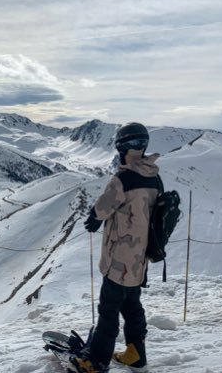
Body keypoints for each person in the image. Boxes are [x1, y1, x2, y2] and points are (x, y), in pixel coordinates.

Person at [68, 122, 161, 373]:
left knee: (108, 311)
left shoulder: (124, 178)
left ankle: (95, 362)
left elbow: (102, 208)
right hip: (140, 258)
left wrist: (94, 219)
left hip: (119, 259)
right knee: (132, 307)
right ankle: (135, 354)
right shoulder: (154, 177)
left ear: (121, 147)